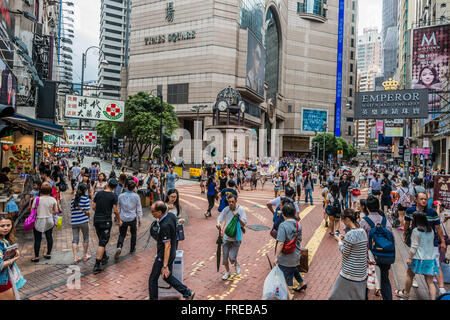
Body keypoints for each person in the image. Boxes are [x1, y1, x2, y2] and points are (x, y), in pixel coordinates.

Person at [148, 201, 195, 300]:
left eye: (153, 212)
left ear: (160, 212)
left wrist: (165, 265)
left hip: (164, 255)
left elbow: (167, 246)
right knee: (167, 276)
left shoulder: (165, 225)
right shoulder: (171, 215)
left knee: (152, 279)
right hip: (172, 252)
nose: (152, 213)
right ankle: (187, 292)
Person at [404, 192, 447, 295]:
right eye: (422, 199)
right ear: (416, 200)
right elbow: (406, 223)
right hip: (416, 243)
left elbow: (438, 228)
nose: (424, 201)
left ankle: (441, 288)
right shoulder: (410, 211)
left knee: (435, 265)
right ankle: (412, 282)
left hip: (431, 244)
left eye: (425, 199)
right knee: (415, 270)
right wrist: (405, 233)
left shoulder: (432, 212)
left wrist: (443, 241)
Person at [395, 211, 441, 300]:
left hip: (418, 258)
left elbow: (414, 246)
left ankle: (406, 294)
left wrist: (409, 258)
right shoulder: (431, 230)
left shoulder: (416, 231)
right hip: (430, 258)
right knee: (430, 282)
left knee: (409, 274)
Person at [360, 195, 393, 300]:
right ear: (378, 207)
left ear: (367, 208)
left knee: (365, 280)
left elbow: (361, 241)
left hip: (369, 257)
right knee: (384, 281)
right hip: (384, 256)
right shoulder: (385, 221)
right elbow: (392, 239)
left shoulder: (364, 222)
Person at [329, 209, 368, 300]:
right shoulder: (363, 232)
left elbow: (345, 253)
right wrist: (345, 239)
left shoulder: (350, 234)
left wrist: (339, 241)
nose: (343, 222)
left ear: (347, 219)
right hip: (361, 274)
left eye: (343, 220)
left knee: (335, 296)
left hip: (349, 273)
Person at [274, 202, 307, 300]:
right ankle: (301, 283)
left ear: (283, 214)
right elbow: (300, 240)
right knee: (292, 269)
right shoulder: (298, 225)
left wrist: (276, 256)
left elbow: (280, 243)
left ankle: (290, 296)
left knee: (283, 280)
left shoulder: (283, 226)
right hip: (296, 256)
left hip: (285, 259)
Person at [92, 179, 122, 273]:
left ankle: (104, 256)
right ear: (115, 187)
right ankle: (97, 265)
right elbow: (116, 210)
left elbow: (93, 207)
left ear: (107, 184)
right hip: (106, 221)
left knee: (101, 238)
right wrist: (119, 220)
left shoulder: (99, 194)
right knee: (102, 242)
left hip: (97, 219)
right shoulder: (114, 196)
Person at [216, 194, 247, 280]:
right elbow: (220, 218)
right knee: (225, 258)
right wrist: (218, 223)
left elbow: (244, 223)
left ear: (236, 201)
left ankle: (236, 262)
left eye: (233, 202)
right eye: (229, 202)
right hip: (226, 237)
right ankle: (227, 272)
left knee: (232, 258)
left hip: (236, 238)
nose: (231, 203)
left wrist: (238, 217)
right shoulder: (226, 209)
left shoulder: (240, 210)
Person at [0, 213, 26, 300]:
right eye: (2, 226)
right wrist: (14, 258)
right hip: (2, 281)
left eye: (8, 225)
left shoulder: (4, 239)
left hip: (6, 277)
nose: (6, 228)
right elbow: (0, 265)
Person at [114, 181, 142, 260]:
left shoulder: (121, 196)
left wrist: (117, 218)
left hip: (123, 218)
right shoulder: (136, 196)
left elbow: (118, 208)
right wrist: (140, 219)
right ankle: (132, 248)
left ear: (126, 186)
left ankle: (119, 246)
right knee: (133, 233)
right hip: (132, 218)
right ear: (134, 188)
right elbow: (139, 209)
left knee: (122, 234)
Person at [31, 182, 58, 262]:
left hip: (39, 221)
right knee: (49, 237)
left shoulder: (37, 199)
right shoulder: (53, 199)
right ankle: (48, 254)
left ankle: (36, 257)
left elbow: (32, 211)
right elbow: (56, 211)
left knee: (37, 239)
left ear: (40, 190)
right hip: (49, 220)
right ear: (50, 191)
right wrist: (49, 212)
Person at [70, 183, 91, 263]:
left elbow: (71, 211)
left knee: (75, 239)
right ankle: (85, 255)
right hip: (83, 221)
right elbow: (87, 211)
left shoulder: (73, 199)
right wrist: (88, 217)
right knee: (86, 237)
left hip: (74, 221)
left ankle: (75, 257)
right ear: (84, 190)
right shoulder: (85, 199)